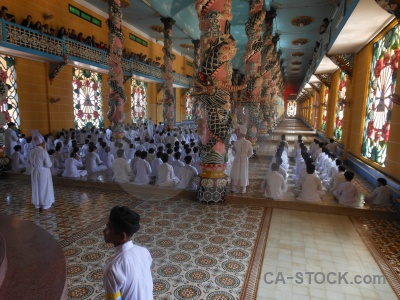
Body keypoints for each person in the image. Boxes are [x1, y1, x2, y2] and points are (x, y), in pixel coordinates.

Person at [103, 206, 153, 300]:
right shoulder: (144, 251)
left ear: (122, 236)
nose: (104, 231)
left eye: (109, 228)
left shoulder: (113, 268)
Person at [29, 131, 55, 212]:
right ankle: (45, 204)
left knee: (36, 187)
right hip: (43, 172)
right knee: (44, 188)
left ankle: (38, 204)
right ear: (43, 143)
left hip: (34, 171)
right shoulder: (43, 152)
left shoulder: (31, 151)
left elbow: (29, 162)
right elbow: (48, 164)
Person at [230, 125, 253, 194]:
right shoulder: (248, 143)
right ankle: (243, 189)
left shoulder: (236, 142)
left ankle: (233, 188)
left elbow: (233, 153)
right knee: (243, 172)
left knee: (236, 172)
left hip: (237, 158)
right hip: (244, 159)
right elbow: (251, 153)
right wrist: (246, 157)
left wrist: (237, 154)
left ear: (240, 133)